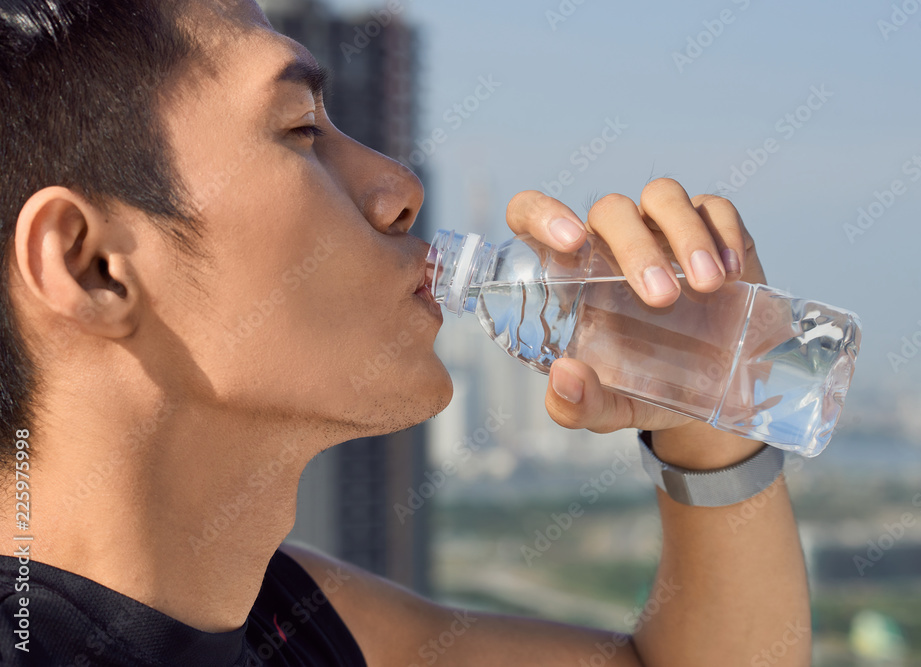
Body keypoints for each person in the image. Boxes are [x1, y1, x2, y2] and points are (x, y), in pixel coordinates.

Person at [0, 0, 811, 665]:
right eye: (300, 129)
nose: (399, 187)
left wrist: (704, 420)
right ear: (90, 266)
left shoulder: (290, 622)